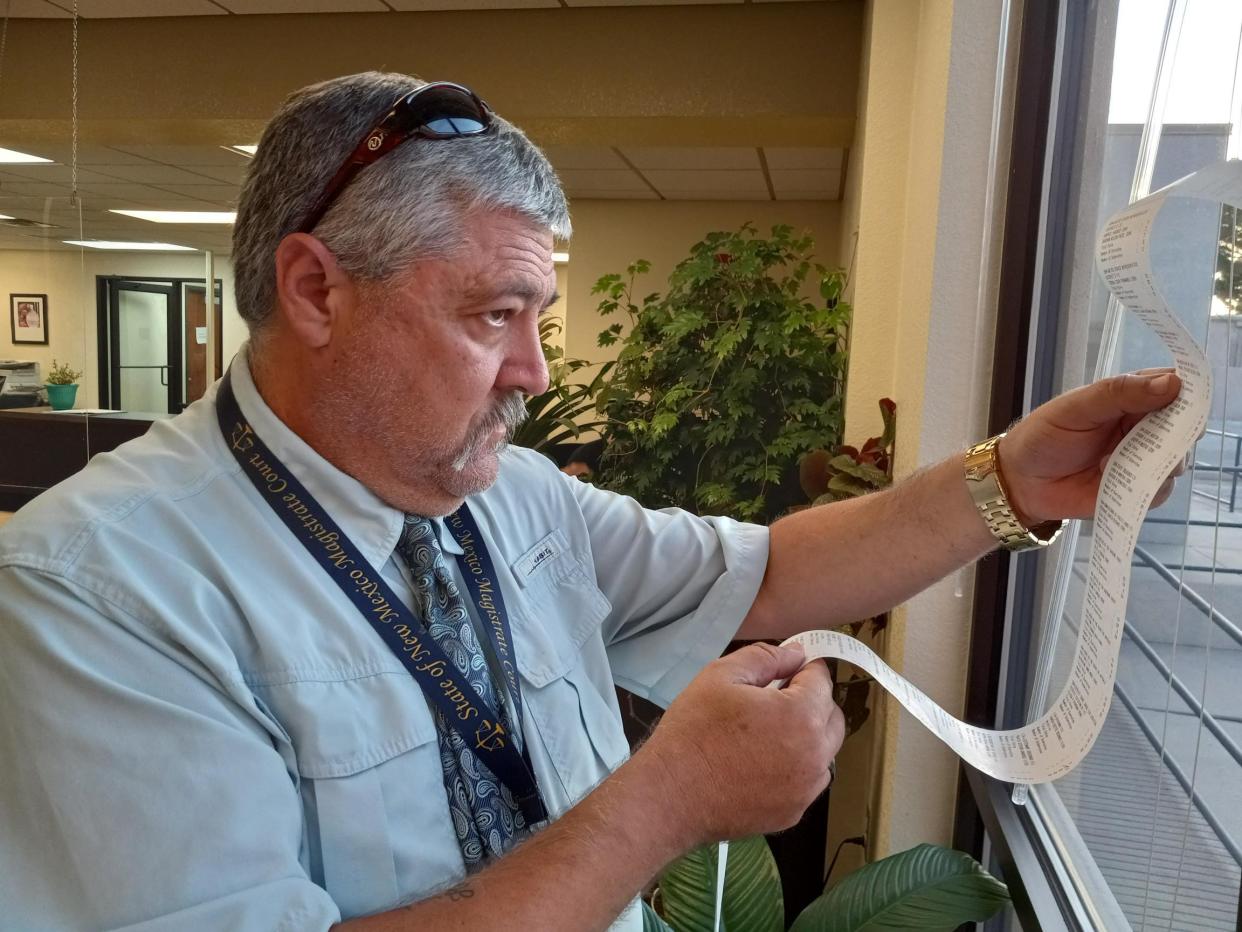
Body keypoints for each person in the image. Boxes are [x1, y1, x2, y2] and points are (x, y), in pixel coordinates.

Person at [0, 72, 1184, 932]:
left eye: (539, 317)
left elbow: (768, 572)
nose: (537, 374)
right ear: (317, 289)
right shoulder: (98, 591)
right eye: (491, 315)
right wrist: (666, 799)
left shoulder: (514, 498)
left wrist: (1012, 481)